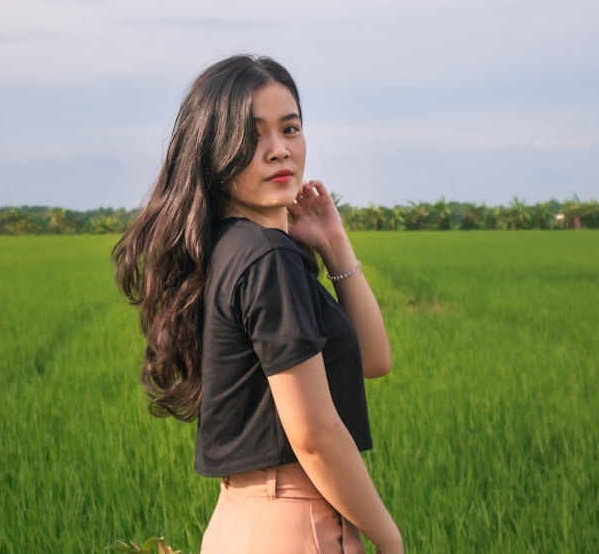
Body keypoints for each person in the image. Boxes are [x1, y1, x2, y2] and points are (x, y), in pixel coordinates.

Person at [113, 54, 403, 553]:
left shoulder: (231, 247)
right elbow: (314, 435)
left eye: (290, 129)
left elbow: (374, 362)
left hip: (244, 523)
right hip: (298, 525)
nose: (278, 151)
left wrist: (333, 242)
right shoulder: (265, 258)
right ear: (214, 148)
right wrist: (390, 538)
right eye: (253, 135)